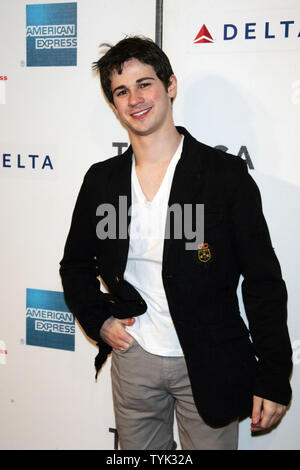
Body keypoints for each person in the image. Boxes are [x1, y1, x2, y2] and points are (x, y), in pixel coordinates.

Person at [59, 36, 292, 450]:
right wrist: (99, 321)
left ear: (170, 85)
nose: (135, 99)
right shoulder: (102, 180)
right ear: (114, 106)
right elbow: (75, 265)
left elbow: (262, 281)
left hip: (209, 359)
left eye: (145, 84)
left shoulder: (225, 176)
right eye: (122, 91)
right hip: (134, 360)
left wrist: (274, 376)